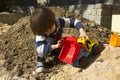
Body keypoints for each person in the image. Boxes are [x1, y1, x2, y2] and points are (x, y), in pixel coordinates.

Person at [30, 6, 88, 73]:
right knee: (41, 53)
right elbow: (39, 48)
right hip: (47, 48)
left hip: (58, 43)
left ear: (53, 21)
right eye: (45, 31)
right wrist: (55, 46)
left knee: (66, 46)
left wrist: (81, 31)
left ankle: (57, 56)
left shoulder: (58, 22)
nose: (48, 32)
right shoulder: (40, 33)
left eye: (50, 28)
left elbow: (74, 21)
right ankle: (40, 64)